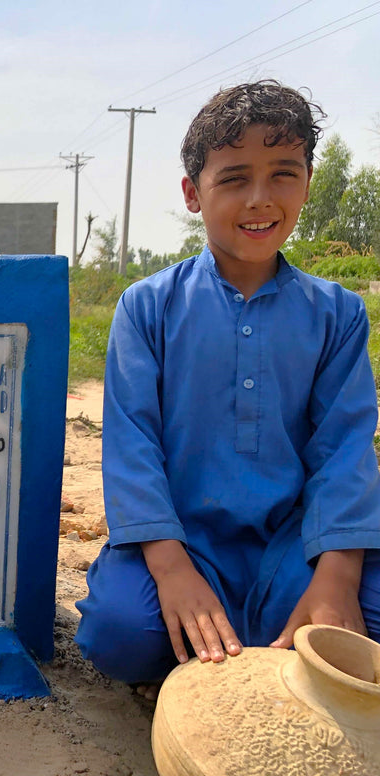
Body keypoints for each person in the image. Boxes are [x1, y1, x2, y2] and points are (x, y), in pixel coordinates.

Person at [75, 80, 380, 693]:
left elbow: (345, 450)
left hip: (296, 545)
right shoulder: (148, 308)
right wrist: (171, 567)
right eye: (235, 178)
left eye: (283, 174)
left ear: (308, 183)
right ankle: (211, 644)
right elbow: (132, 447)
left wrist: (337, 577)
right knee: (120, 632)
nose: (260, 200)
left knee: (365, 616)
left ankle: (254, 631)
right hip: (184, 539)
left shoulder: (337, 314)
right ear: (194, 193)